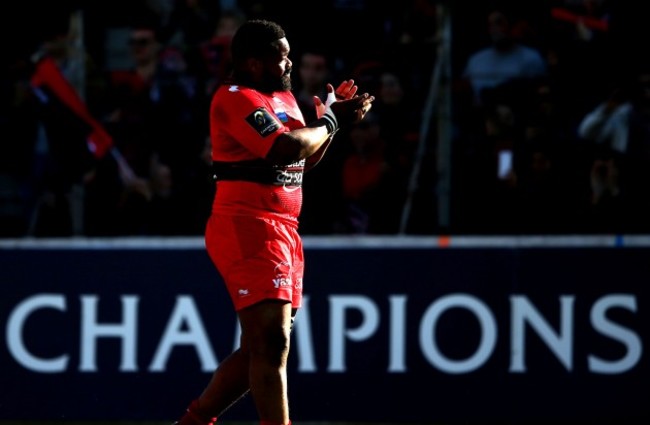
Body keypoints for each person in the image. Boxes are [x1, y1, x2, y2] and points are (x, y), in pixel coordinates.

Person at [172, 19, 374, 425]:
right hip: (246, 225)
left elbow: (305, 157)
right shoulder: (235, 97)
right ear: (251, 62)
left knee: (261, 347)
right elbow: (284, 148)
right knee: (272, 341)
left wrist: (334, 121)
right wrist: (328, 124)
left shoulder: (283, 98)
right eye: (279, 56)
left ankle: (192, 423)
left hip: (282, 230)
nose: (288, 63)